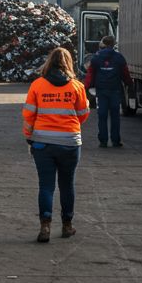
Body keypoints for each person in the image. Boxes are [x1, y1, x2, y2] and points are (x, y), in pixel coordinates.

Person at [22, 48, 90, 242]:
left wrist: (29, 136)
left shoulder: (37, 85)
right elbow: (83, 113)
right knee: (67, 185)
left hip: (43, 143)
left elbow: (28, 115)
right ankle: (67, 225)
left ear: (48, 62)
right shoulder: (77, 86)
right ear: (68, 63)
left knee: (46, 186)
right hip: (70, 142)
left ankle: (45, 226)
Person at [83, 35, 133, 148]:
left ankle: (103, 141)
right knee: (115, 115)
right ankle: (115, 140)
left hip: (101, 91)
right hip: (115, 90)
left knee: (102, 115)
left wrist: (85, 87)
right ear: (113, 44)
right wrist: (129, 84)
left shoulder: (96, 58)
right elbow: (125, 73)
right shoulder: (119, 57)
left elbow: (90, 74)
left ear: (103, 44)